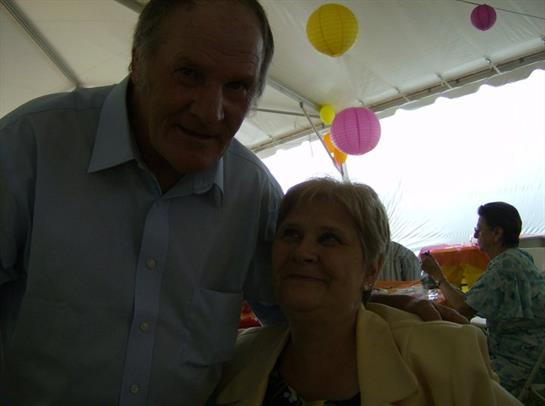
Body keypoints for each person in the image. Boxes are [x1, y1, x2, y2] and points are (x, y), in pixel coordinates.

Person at [0, 1, 462, 403]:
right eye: (189, 74)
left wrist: (377, 311)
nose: (211, 111)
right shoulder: (30, 146)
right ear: (138, 61)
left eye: (237, 86)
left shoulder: (252, 192)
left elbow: (300, 308)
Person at [214, 179, 520, 405]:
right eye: (291, 234)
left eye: (329, 239)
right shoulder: (236, 359)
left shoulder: (442, 360)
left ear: (371, 270)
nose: (302, 251)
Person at [421, 202, 545, 399]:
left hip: (520, 362)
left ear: (496, 233)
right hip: (531, 352)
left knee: (448, 375)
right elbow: (471, 300)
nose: (475, 234)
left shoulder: (504, 266)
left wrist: (438, 276)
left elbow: (463, 309)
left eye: (479, 229)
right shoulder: (519, 257)